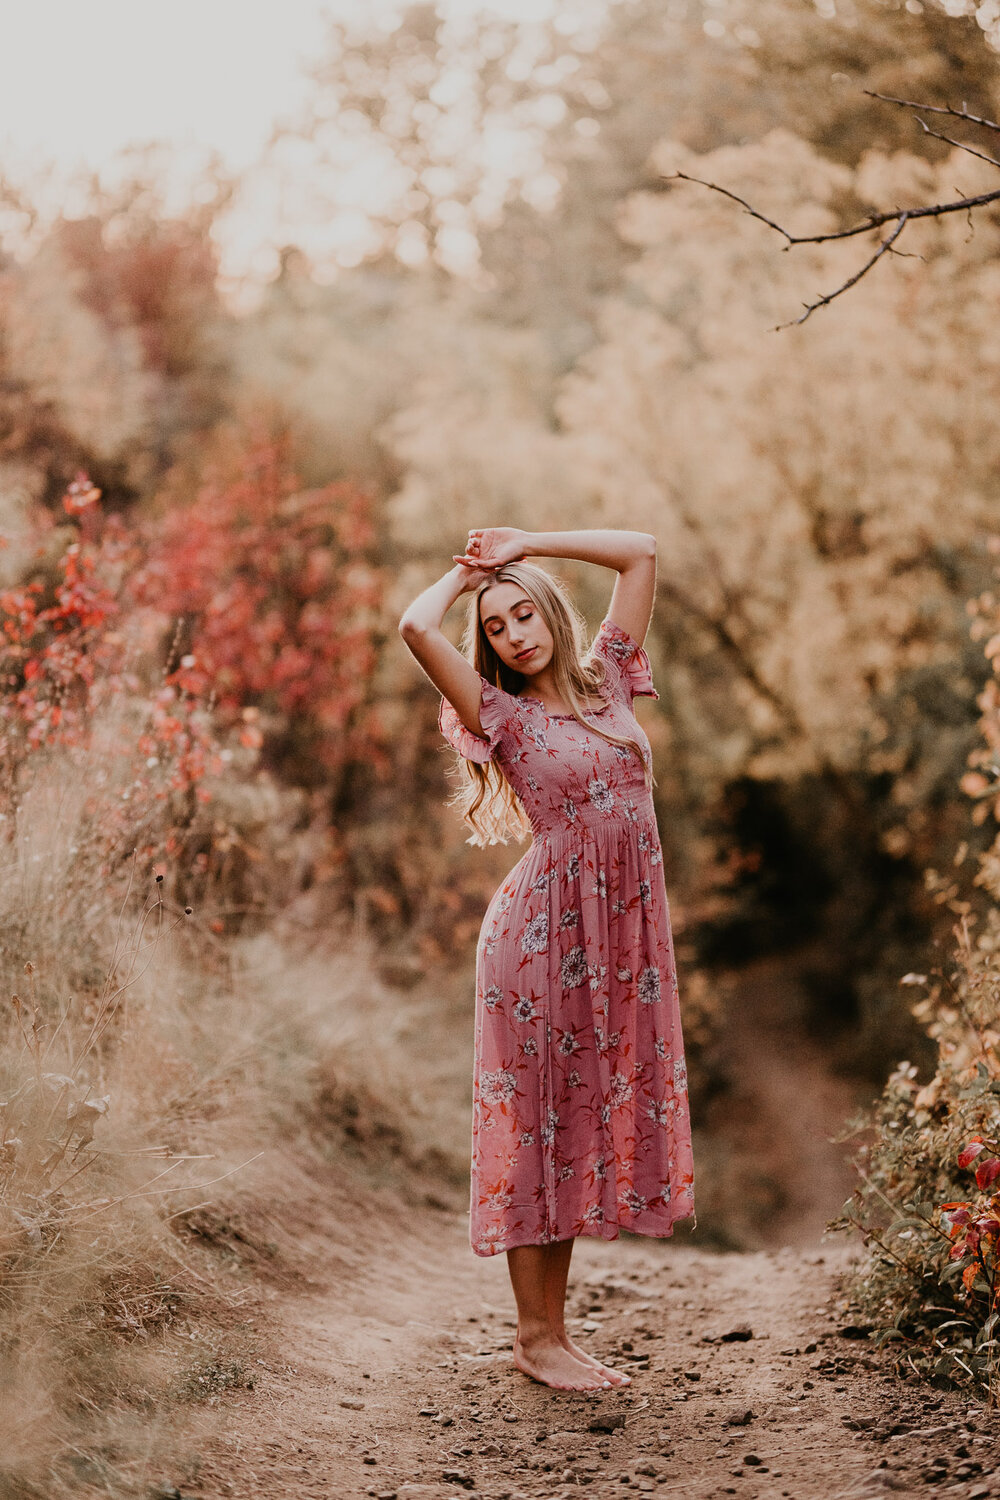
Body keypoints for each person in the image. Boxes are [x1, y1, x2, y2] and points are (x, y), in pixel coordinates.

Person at [398, 527, 695, 1392]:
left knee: (576, 1128)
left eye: (524, 613)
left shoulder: (610, 678)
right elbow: (416, 628)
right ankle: (536, 1340)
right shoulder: (502, 713)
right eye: (496, 628)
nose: (515, 634)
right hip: (540, 941)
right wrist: (465, 576)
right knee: (540, 1131)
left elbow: (641, 550)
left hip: (620, 943)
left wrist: (527, 541)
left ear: (551, 614)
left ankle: (550, 1336)